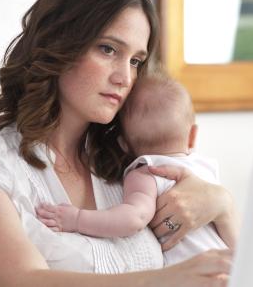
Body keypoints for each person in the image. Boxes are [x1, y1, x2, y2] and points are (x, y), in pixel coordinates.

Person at [0, 0, 239, 287]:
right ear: (59, 42)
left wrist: (223, 205)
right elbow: (22, 280)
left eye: (135, 61)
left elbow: (238, 264)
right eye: (108, 49)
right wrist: (163, 281)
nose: (125, 78)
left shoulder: (131, 158)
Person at [36, 73, 233, 266]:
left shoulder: (147, 172)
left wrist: (77, 219)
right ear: (192, 135)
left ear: (123, 145)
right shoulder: (205, 169)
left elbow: (133, 218)